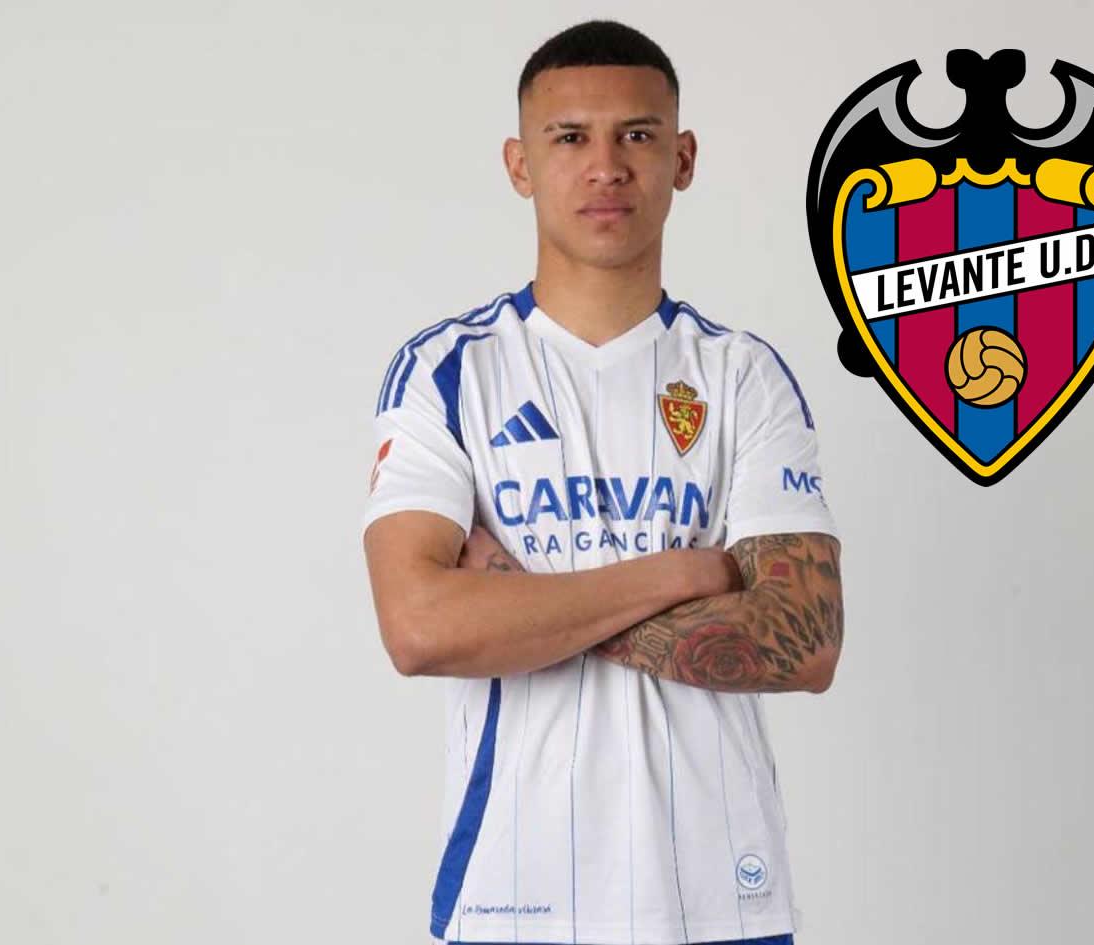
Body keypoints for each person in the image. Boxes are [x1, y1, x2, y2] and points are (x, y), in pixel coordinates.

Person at [362, 19, 844, 945]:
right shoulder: (448, 372)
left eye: (637, 134)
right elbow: (419, 627)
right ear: (520, 165)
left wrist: (520, 604)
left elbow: (806, 641)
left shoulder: (741, 375)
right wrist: (683, 573)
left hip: (722, 899)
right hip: (514, 900)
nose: (606, 166)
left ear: (682, 158)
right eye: (570, 137)